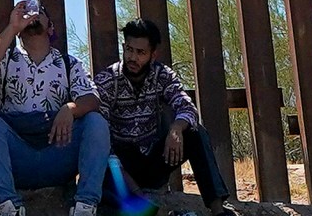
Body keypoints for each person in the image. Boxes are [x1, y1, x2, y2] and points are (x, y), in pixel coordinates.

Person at [0, 0, 107, 216]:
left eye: (39, 12)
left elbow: (92, 99)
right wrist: (13, 26)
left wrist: (70, 109)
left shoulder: (68, 63)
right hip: (19, 158)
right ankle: (8, 206)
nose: (32, 16)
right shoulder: (5, 61)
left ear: (50, 26)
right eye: (26, 13)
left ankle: (85, 206)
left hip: (58, 153)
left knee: (96, 122)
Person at [95, 17, 228, 213]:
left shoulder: (162, 75)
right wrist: (134, 188)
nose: (133, 58)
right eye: (129, 50)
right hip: (120, 165)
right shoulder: (107, 81)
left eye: (141, 53)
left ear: (153, 54)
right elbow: (101, 137)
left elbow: (187, 107)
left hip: (152, 157)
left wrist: (176, 129)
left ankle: (218, 209)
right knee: (103, 162)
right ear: (124, 47)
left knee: (195, 132)